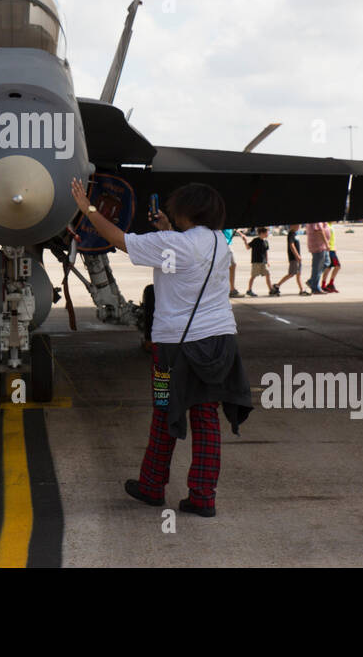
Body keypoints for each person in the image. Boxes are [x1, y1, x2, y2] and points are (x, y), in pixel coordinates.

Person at [73, 178, 251, 518]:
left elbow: (117, 239)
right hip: (220, 342)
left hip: (173, 349)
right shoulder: (218, 243)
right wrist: (170, 229)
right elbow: (186, 253)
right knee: (206, 417)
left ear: (186, 211)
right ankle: (203, 496)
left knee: (163, 410)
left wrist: (88, 208)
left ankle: (153, 485)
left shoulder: (173, 244)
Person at [239, 227, 275, 296]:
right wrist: (245, 241)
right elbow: (248, 247)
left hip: (263, 262)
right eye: (266, 232)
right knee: (253, 276)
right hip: (256, 262)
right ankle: (249, 290)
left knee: (268, 274)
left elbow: (266, 252)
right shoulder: (255, 240)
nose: (268, 234)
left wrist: (267, 261)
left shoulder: (266, 242)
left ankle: (270, 289)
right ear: (261, 233)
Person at [275, 224, 309, 295]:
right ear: (292, 226)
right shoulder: (291, 234)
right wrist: (297, 255)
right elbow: (291, 245)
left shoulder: (295, 233)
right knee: (291, 274)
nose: (299, 226)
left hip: (297, 257)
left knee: (298, 274)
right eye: (297, 225)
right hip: (294, 258)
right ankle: (277, 285)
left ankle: (301, 290)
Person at [304, 221, 330, 294]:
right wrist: (326, 243)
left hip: (321, 246)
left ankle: (312, 281)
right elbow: (319, 231)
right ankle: (315, 287)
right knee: (317, 267)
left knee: (326, 263)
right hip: (318, 246)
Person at [322, 221, 342, 293]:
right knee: (337, 266)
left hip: (332, 249)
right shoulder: (326, 225)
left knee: (329, 267)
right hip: (329, 249)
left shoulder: (330, 225)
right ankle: (327, 284)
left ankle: (326, 284)